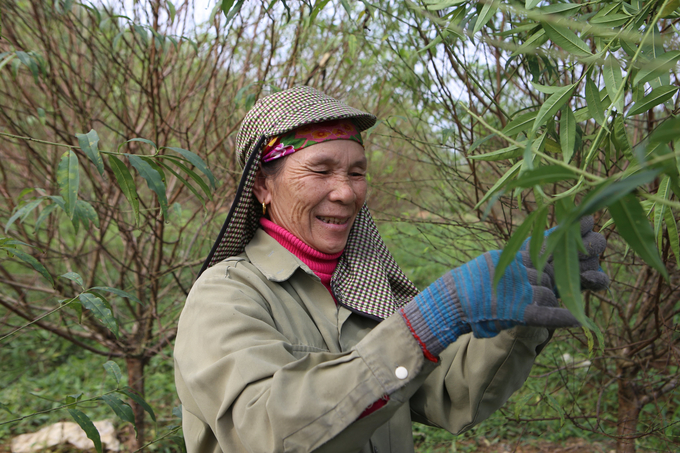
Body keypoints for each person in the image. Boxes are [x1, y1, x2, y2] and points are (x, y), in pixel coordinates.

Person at [173, 86, 609, 453]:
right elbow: (262, 430)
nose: (345, 192)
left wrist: (524, 313)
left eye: (357, 172)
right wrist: (423, 327)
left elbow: (450, 396)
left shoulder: (365, 285)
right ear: (262, 187)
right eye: (320, 170)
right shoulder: (226, 295)